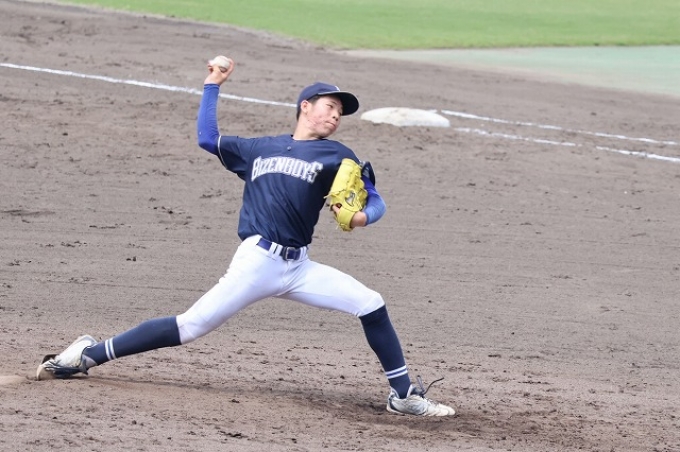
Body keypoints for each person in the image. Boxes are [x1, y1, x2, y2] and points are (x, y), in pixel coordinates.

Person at [36, 57, 455, 417]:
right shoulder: (258, 148)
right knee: (190, 326)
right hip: (257, 261)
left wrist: (364, 216)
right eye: (330, 107)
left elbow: (376, 199)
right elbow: (208, 138)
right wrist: (212, 84)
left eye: (340, 113)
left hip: (299, 267)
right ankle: (87, 354)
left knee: (371, 304)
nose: (335, 116)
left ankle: (403, 396)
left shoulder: (338, 156)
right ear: (305, 106)